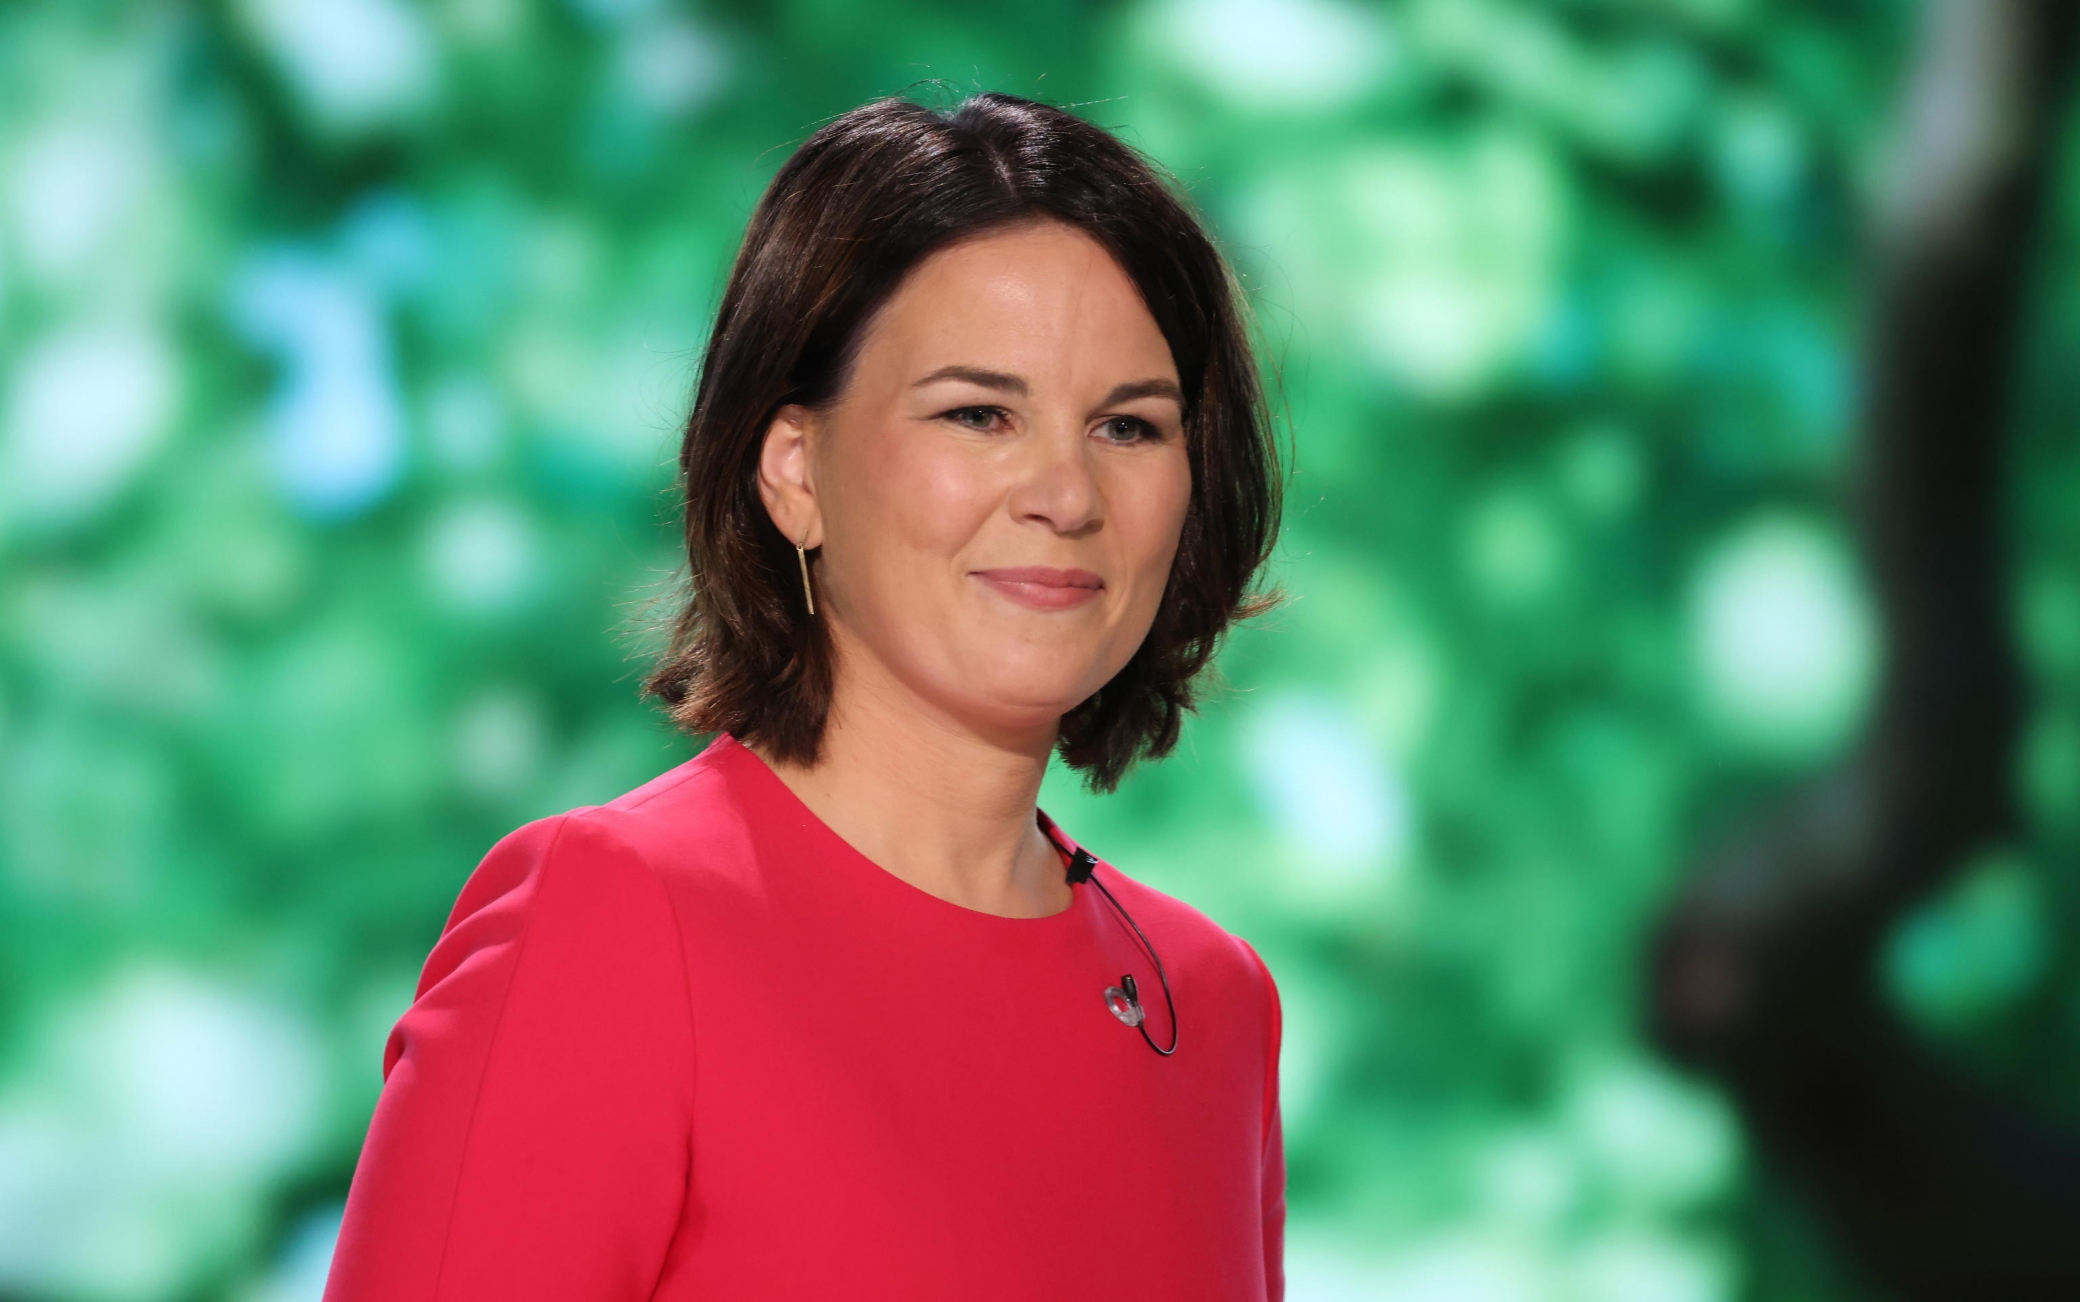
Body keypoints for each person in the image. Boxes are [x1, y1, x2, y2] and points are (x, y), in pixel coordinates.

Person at [322, 91, 1288, 1301]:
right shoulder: (611, 922)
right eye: (978, 414)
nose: (1065, 492)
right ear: (793, 472)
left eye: (1128, 427)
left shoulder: (1213, 1005)